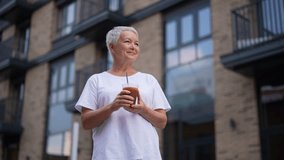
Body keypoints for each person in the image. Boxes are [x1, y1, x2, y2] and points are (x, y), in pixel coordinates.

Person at [75, 26, 171, 160]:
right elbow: (86, 122)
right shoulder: (96, 80)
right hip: (109, 155)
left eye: (136, 43)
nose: (133, 46)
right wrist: (112, 106)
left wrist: (143, 109)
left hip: (146, 155)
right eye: (127, 42)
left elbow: (162, 122)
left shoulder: (149, 80)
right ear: (112, 47)